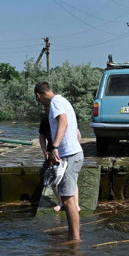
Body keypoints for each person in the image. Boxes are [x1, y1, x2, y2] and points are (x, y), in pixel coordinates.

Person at [34, 82, 84, 242]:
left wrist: (54, 146)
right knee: (67, 198)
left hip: (69, 155)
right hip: (73, 154)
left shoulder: (55, 102)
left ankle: (75, 240)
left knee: (68, 200)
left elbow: (63, 122)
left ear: (38, 96)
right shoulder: (62, 100)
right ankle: (73, 237)